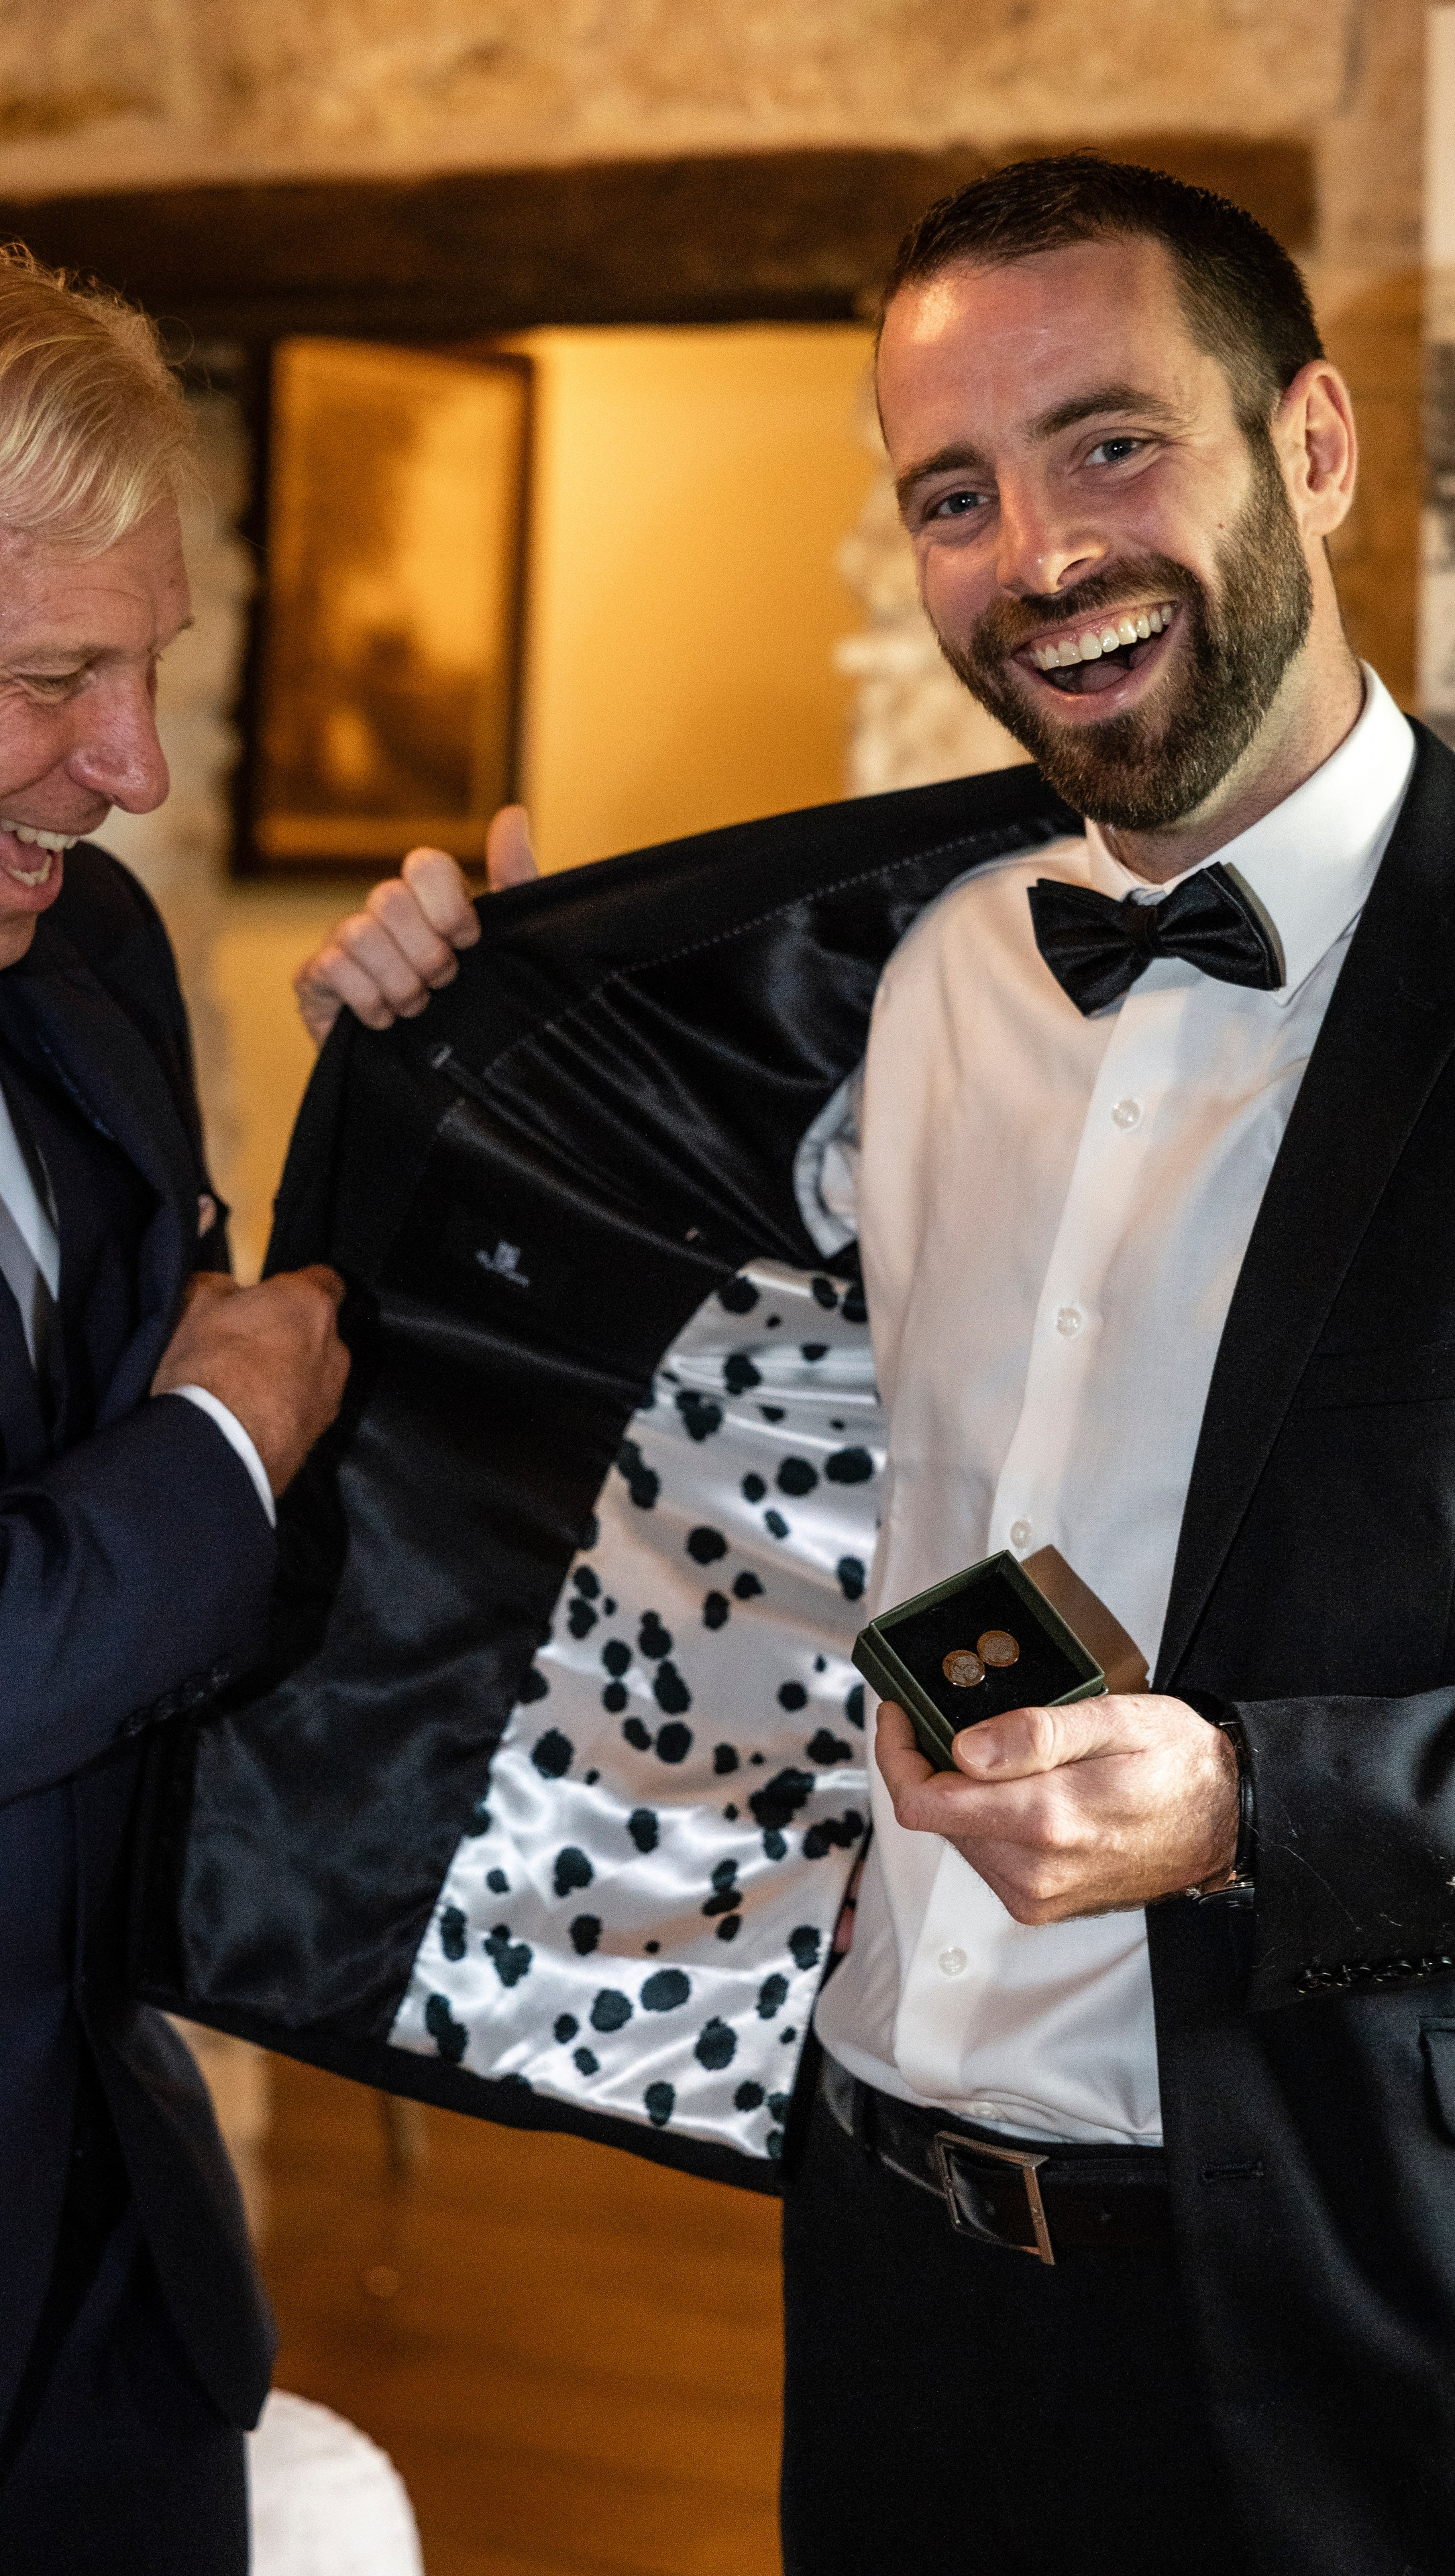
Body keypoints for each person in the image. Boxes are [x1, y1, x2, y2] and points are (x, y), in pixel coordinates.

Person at [270, 155, 1455, 2571]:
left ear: (1314, 447)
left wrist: (1255, 1808)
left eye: (1110, 443)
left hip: (1384, 2327)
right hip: (895, 2268)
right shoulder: (897, 976)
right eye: (955, 491)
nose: (1035, 551)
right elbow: (614, 1349)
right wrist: (460, 1016)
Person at [0, 248, 349, 2573]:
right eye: (53, 678)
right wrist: (212, 1452)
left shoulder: (87, 942)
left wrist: (479, 1057)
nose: (130, 767)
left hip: (100, 2268)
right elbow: (205, 1450)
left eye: (150, 672)